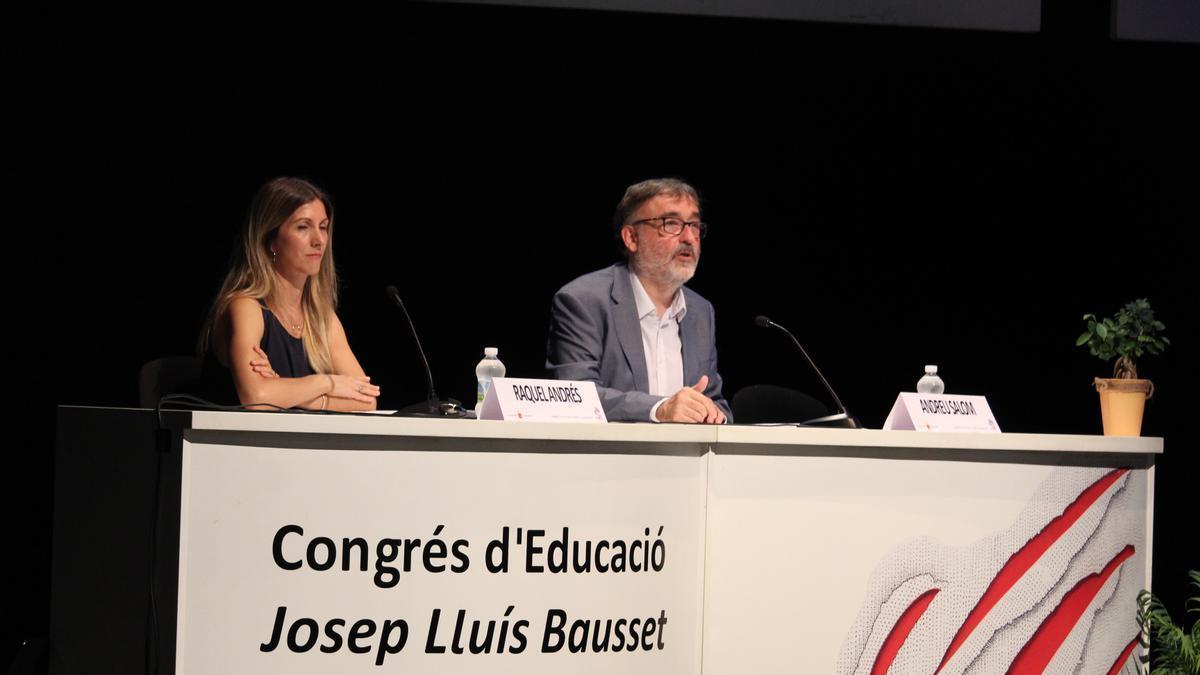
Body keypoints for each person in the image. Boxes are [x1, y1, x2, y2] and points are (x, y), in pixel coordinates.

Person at [546, 178, 730, 423]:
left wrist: (714, 414)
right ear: (631, 237)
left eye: (694, 225)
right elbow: (574, 396)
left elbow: (715, 400)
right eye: (671, 223)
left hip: (683, 460)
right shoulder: (583, 301)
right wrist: (660, 409)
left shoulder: (701, 311)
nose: (688, 237)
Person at [198, 177, 379, 411]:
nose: (319, 240)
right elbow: (256, 396)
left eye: (323, 227)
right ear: (271, 240)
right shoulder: (245, 306)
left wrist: (291, 393)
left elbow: (366, 401)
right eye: (303, 227)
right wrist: (327, 382)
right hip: (231, 444)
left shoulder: (322, 318)